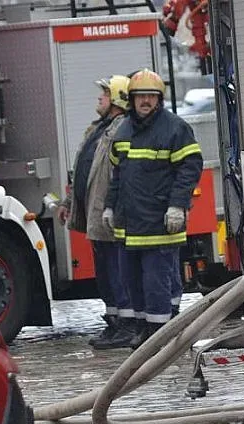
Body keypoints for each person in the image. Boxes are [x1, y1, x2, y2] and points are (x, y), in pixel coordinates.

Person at [100, 68, 203, 350]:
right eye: (140, 96)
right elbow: (118, 175)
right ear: (131, 100)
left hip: (159, 222)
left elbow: (190, 168)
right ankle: (147, 330)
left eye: (151, 96)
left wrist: (177, 206)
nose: (145, 101)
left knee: (156, 282)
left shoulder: (175, 128)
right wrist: (110, 207)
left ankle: (159, 336)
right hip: (129, 224)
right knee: (133, 282)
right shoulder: (123, 131)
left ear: (159, 100)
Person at [58, 75, 134, 347]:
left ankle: (127, 325)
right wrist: (68, 202)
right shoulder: (98, 129)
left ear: (117, 99)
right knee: (105, 273)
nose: (99, 99)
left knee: (117, 271)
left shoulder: (122, 129)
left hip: (109, 215)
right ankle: (114, 322)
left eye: (104, 94)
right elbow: (85, 169)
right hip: (95, 212)